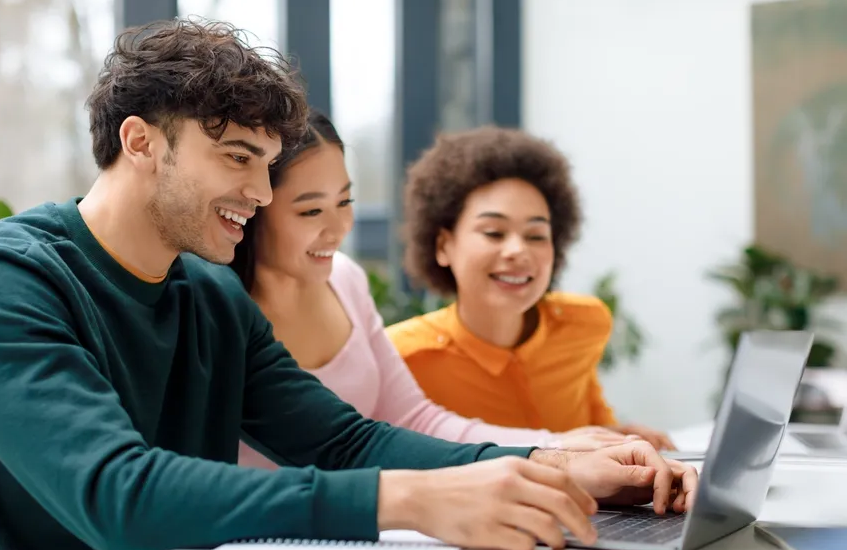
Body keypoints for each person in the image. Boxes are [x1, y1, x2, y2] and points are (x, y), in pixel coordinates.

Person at [0, 20, 695, 550]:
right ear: (141, 143)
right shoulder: (0, 282)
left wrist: (553, 467)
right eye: (238, 158)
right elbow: (120, 496)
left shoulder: (207, 294)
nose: (257, 192)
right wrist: (419, 501)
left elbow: (343, 442)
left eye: (267, 166)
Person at [230, 110, 636, 461]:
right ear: (254, 207)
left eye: (346, 203)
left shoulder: (347, 279)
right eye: (311, 210)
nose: (339, 229)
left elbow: (413, 420)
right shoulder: (217, 306)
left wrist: (558, 449)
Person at [386, 126, 676, 451]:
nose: (517, 251)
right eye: (494, 232)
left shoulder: (584, 323)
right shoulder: (402, 357)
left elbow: (592, 426)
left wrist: (622, 438)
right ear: (443, 245)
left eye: (536, 235)